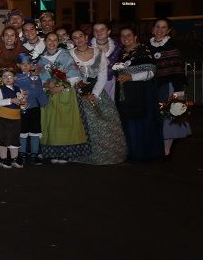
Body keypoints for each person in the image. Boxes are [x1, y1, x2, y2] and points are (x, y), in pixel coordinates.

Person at [70, 28, 128, 165]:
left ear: (86, 37)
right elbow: (69, 75)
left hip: (97, 91)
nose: (78, 39)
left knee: (106, 119)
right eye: (75, 38)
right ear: (72, 41)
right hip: (76, 92)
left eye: (80, 36)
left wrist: (94, 94)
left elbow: (102, 76)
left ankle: (107, 155)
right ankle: (81, 155)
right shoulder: (69, 54)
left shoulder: (98, 53)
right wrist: (82, 90)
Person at [35, 32, 89, 163]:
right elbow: (39, 78)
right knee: (50, 123)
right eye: (49, 40)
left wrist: (61, 87)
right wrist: (47, 84)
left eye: (55, 40)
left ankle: (65, 153)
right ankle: (52, 152)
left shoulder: (65, 56)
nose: (52, 43)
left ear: (58, 42)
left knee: (64, 123)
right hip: (49, 94)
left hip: (65, 93)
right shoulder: (41, 60)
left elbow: (75, 75)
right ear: (45, 42)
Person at [114, 27, 162, 162]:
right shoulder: (122, 53)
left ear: (135, 37)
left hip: (140, 94)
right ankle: (131, 152)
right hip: (126, 94)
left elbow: (151, 72)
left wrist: (131, 78)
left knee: (139, 123)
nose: (125, 38)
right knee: (127, 123)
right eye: (122, 35)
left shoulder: (143, 51)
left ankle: (142, 154)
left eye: (128, 35)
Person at [148, 18, 190, 158]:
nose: (159, 30)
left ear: (168, 31)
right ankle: (155, 146)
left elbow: (177, 70)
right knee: (153, 118)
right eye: (157, 27)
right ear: (153, 29)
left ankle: (167, 150)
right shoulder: (145, 46)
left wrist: (178, 95)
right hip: (150, 87)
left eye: (163, 27)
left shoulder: (173, 45)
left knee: (170, 118)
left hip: (170, 87)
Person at [14, 53, 48, 166]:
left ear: (31, 65)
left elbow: (39, 91)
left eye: (28, 64)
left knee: (35, 131)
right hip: (21, 108)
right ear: (18, 65)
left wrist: (44, 103)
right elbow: (15, 91)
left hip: (34, 108)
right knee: (22, 131)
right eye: (23, 64)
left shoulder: (36, 77)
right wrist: (21, 96)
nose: (25, 66)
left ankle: (34, 153)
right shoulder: (16, 78)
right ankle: (22, 153)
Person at [0, 68, 24, 168]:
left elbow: (20, 103)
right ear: (1, 79)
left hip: (16, 117)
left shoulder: (18, 89)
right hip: (4, 117)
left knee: (14, 138)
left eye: (10, 76)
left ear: (14, 78)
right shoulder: (0, 89)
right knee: (4, 138)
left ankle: (14, 158)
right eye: (4, 77)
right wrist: (11, 100)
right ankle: (3, 159)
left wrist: (24, 104)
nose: (7, 78)